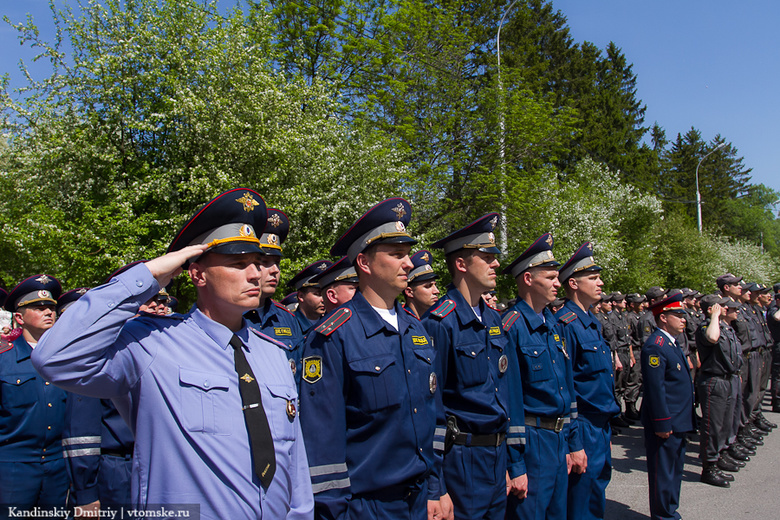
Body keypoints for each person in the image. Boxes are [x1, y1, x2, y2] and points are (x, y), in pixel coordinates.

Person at [32, 188, 313, 519]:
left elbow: (293, 462)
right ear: (197, 273)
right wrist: (148, 276)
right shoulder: (152, 343)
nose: (255, 274)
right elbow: (55, 358)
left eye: (258, 263)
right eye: (238, 263)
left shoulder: (273, 353)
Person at [299, 198, 444, 520]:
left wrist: (437, 486)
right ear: (364, 263)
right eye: (396, 255)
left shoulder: (415, 328)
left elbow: (432, 414)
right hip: (365, 505)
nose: (408, 264)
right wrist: (333, 512)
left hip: (419, 499)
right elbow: (321, 438)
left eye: (407, 255)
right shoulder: (333, 335)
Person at [422, 213, 510, 519]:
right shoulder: (439, 322)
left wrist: (512, 461)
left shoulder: (493, 319)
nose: (495, 263)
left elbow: (503, 392)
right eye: (486, 257)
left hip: (497, 456)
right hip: (462, 459)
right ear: (461, 264)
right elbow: (431, 408)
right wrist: (436, 485)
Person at [501, 233, 583, 520]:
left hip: (559, 438)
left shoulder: (555, 325)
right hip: (533, 442)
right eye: (550, 277)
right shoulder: (511, 327)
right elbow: (510, 402)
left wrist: (574, 443)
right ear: (527, 279)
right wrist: (516, 465)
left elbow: (567, 390)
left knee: (557, 514)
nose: (557, 283)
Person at [555, 242, 620, 520]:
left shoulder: (591, 321)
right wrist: (574, 442)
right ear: (573, 283)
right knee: (580, 500)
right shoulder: (566, 323)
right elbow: (566, 387)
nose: (600, 282)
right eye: (593, 278)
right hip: (583, 425)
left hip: (601, 424)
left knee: (596, 492)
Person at [57, 286, 135, 516]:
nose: (157, 307)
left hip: (146, 462)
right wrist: (86, 493)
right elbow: (81, 432)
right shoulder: (95, 358)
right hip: (115, 469)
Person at [1, 275, 69, 513]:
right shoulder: (3, 359)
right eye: (39, 308)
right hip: (12, 466)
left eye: (51, 307)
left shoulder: (67, 359)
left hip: (58, 467)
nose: (48, 312)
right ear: (19, 317)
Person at [640, 293, 696, 520]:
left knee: (674, 470)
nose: (684, 319)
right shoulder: (656, 346)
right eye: (678, 315)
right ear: (663, 318)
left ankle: (671, 510)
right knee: (663, 472)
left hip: (678, 419)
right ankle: (663, 515)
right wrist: (662, 422)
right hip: (666, 422)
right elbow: (655, 389)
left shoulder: (670, 343)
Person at [245, 208, 306, 381]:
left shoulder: (287, 318)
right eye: (264, 262)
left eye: (277, 263)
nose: (275, 270)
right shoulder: (227, 317)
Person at [695, 295, 744, 488]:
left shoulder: (726, 327)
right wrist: (714, 317)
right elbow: (712, 338)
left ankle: (720, 454)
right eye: (721, 306)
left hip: (729, 378)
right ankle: (709, 467)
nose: (725, 308)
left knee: (726, 421)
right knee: (712, 426)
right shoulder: (707, 327)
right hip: (714, 380)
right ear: (711, 309)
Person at [287, 260, 332, 333]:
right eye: (318, 294)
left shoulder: (330, 323)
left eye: (325, 293)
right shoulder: (288, 325)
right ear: (301, 296)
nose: (324, 299)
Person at [403, 250, 440, 319]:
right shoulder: (399, 322)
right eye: (428, 286)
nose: (437, 291)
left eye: (435, 285)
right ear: (409, 292)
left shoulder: (437, 320)